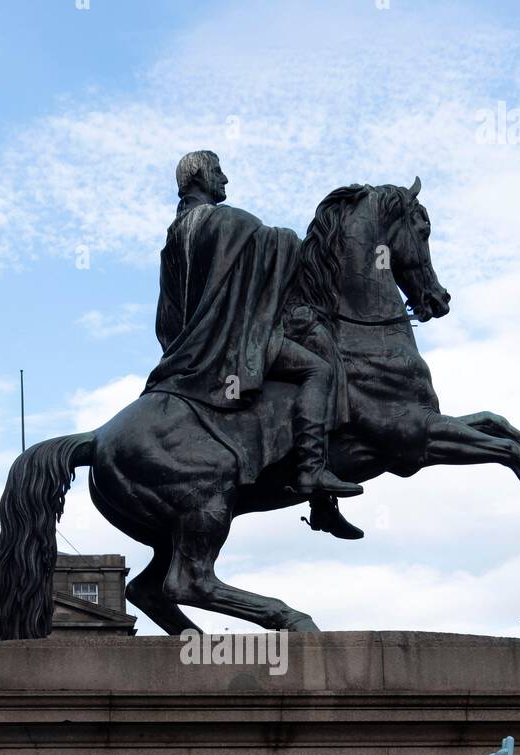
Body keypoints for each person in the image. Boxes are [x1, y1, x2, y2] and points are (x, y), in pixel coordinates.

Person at [144, 150, 364, 540]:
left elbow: (167, 315)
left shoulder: (174, 235)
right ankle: (312, 471)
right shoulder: (222, 221)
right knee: (319, 368)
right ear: (198, 176)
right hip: (231, 344)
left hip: (195, 351)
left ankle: (320, 500)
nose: (225, 179)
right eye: (218, 172)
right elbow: (283, 247)